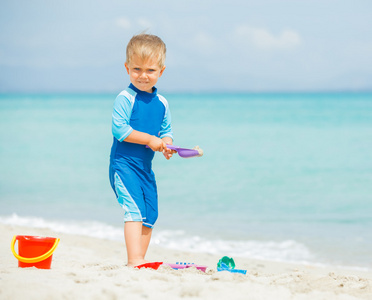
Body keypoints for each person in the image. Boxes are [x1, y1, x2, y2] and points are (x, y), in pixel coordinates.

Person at [109, 34, 175, 267]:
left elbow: (166, 131)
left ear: (161, 71)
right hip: (123, 165)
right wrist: (149, 139)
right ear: (127, 68)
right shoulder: (125, 98)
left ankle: (141, 259)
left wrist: (166, 144)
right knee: (134, 210)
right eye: (136, 69)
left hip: (144, 167)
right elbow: (120, 130)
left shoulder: (162, 103)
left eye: (150, 70)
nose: (143, 75)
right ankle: (134, 260)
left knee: (149, 213)